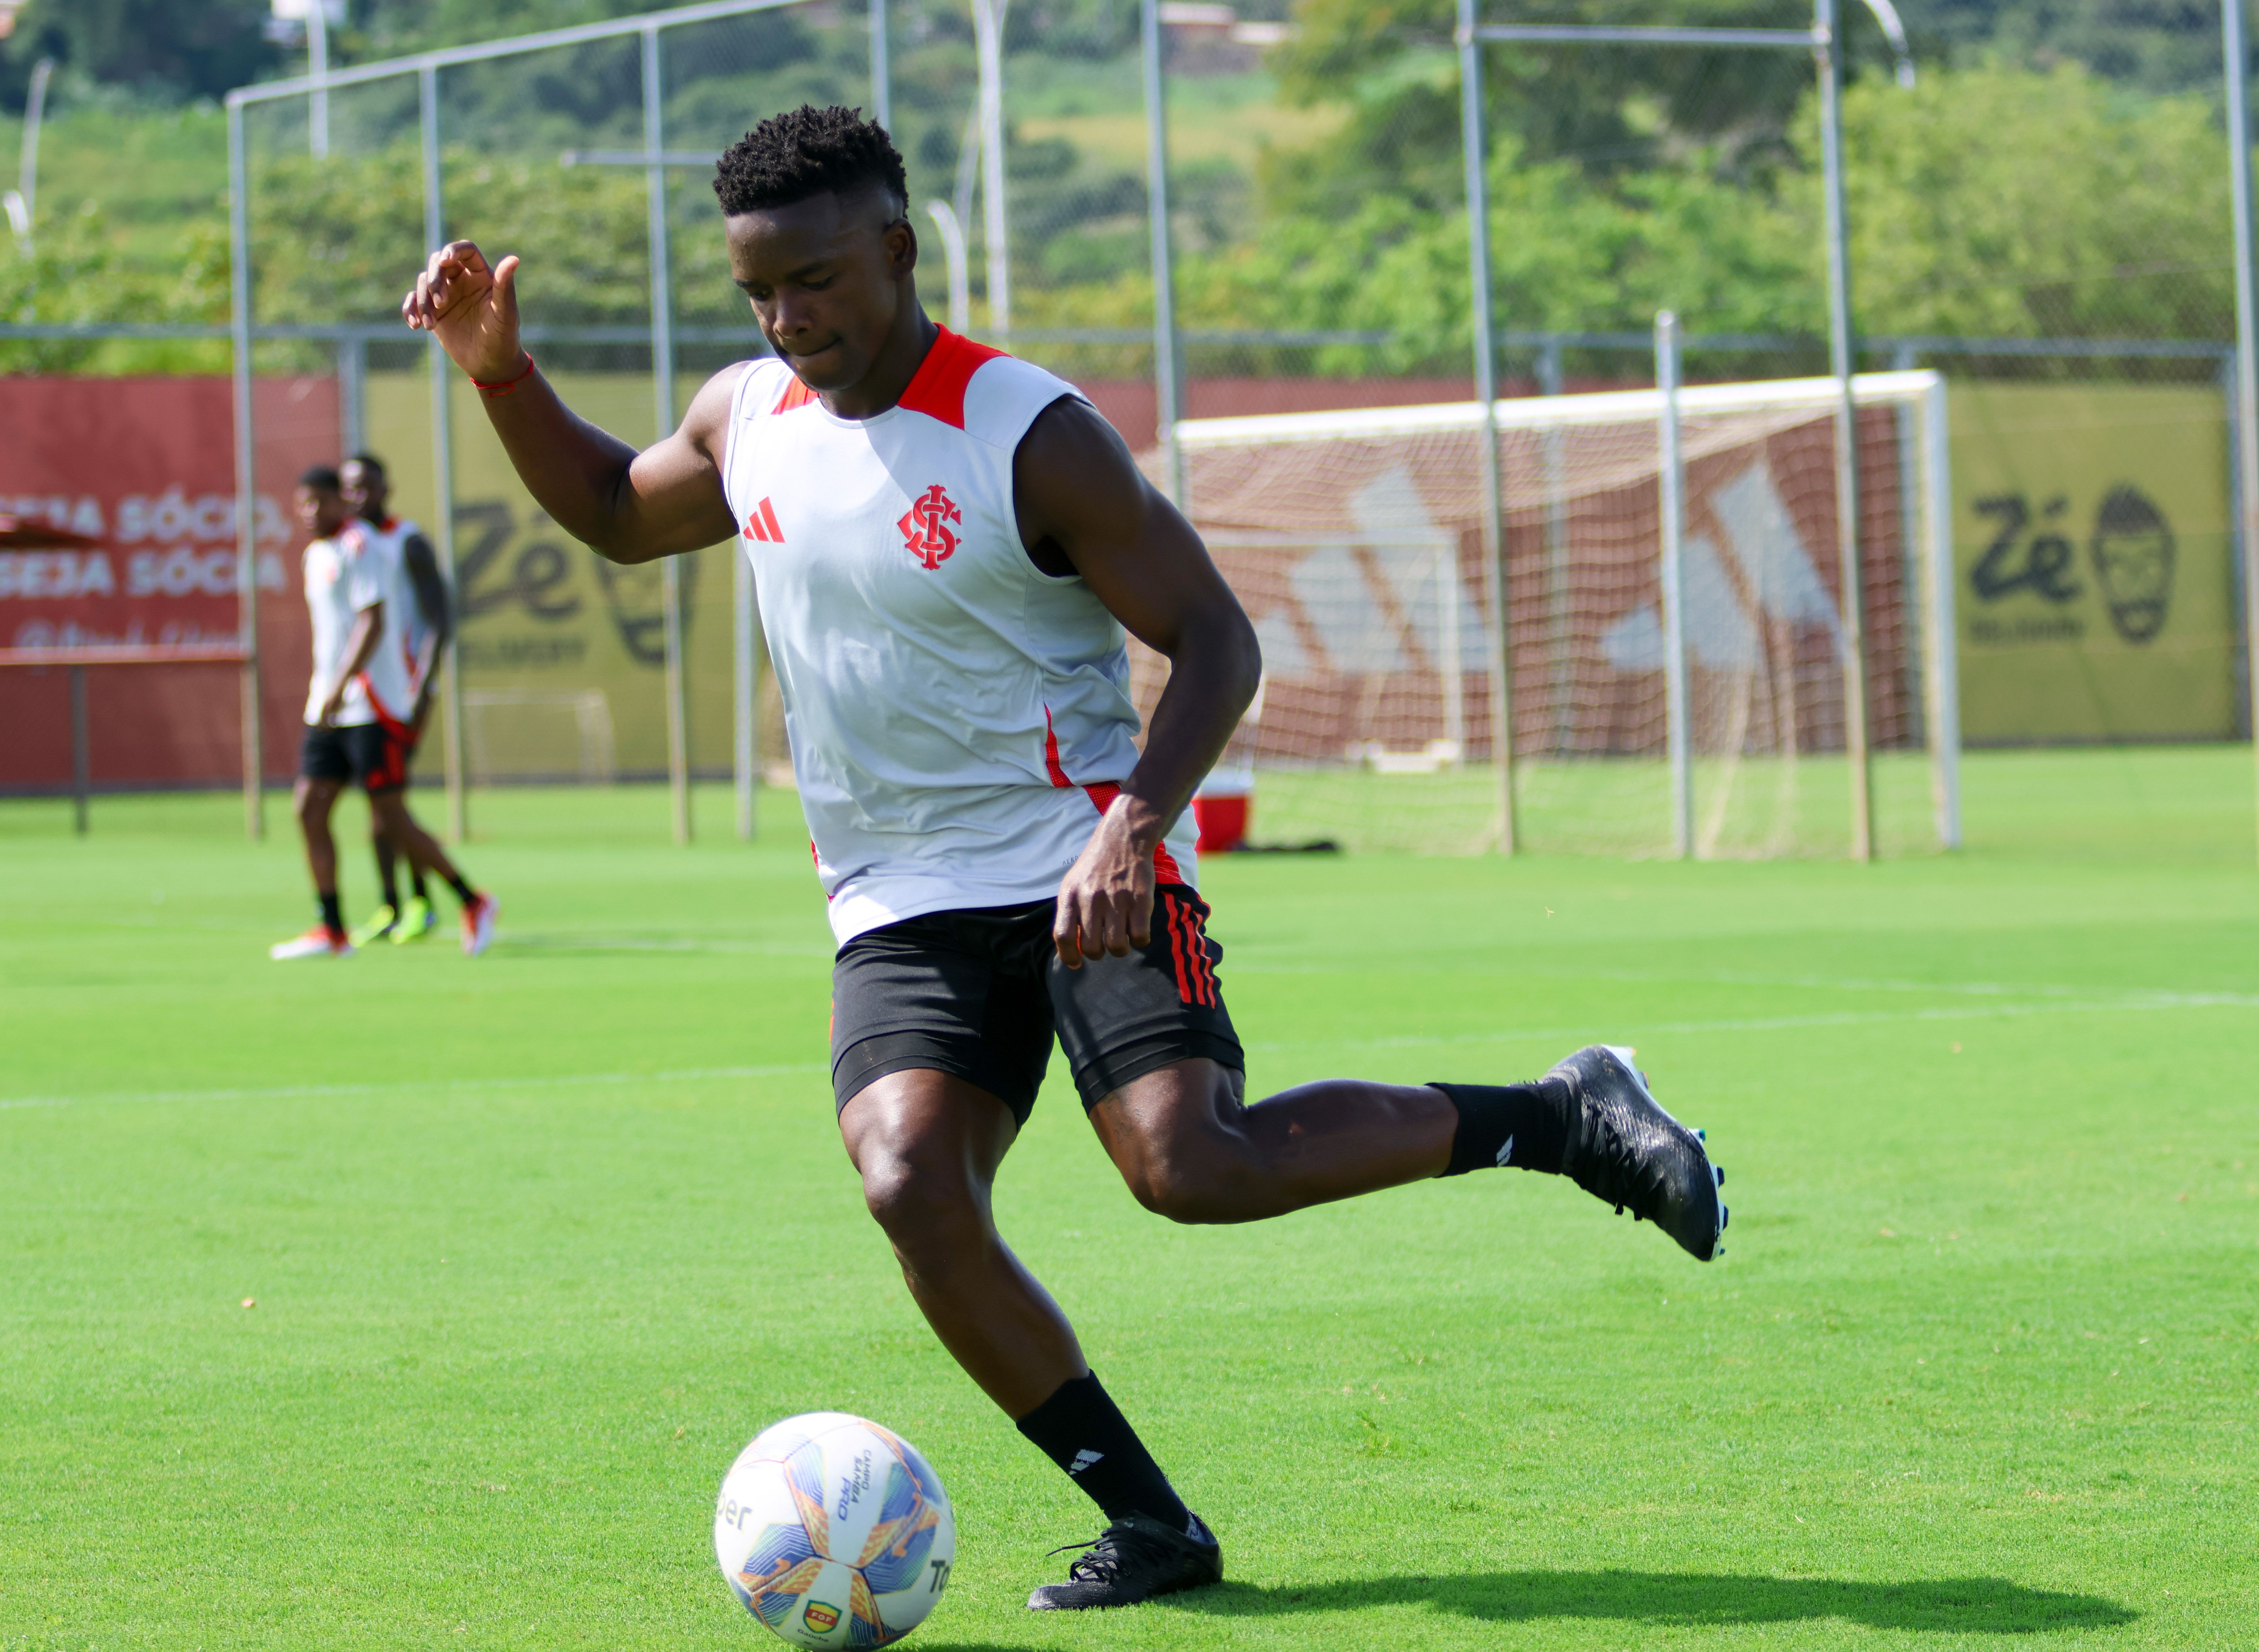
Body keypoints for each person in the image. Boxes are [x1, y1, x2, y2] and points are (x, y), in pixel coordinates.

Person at [401, 106, 1725, 1608]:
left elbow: (1216, 638)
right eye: (761, 291)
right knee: (910, 1181)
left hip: (1079, 857)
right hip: (896, 899)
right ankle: (1153, 1526)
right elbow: (608, 515)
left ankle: (1559, 1115)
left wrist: (1134, 822)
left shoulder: (1028, 430)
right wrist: (500, 376)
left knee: (1190, 1167)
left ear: (896, 251)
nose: (790, 317)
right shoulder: (745, 414)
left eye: (819, 278)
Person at [271, 465, 500, 962]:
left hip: (371, 705)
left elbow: (371, 623)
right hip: (328, 705)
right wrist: (325, 692)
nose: (311, 512)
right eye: (302, 503)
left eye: (320, 501)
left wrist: (342, 685)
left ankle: (472, 900)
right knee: (309, 808)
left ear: (339, 503)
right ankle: (331, 928)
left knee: (390, 818)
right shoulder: (316, 554)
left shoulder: (365, 547)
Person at [339, 453, 452, 946]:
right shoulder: (346, 547)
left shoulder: (406, 541)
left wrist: (423, 685)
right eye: (350, 488)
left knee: (390, 805)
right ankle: (391, 904)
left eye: (367, 486)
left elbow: (441, 617)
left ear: (387, 488)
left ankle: (420, 902)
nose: (358, 496)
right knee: (380, 806)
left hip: (402, 695)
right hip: (364, 695)